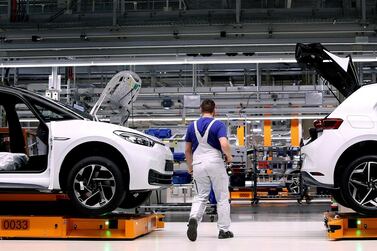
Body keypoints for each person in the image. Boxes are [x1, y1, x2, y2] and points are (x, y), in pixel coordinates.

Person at [185, 99, 234, 241]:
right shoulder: (218, 124)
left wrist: (190, 167)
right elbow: (224, 144)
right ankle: (223, 230)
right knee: (222, 197)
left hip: (198, 164)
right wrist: (229, 157)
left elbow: (187, 150)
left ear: (201, 110)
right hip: (215, 163)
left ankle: (193, 219)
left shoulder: (191, 126)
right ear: (214, 110)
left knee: (200, 196)